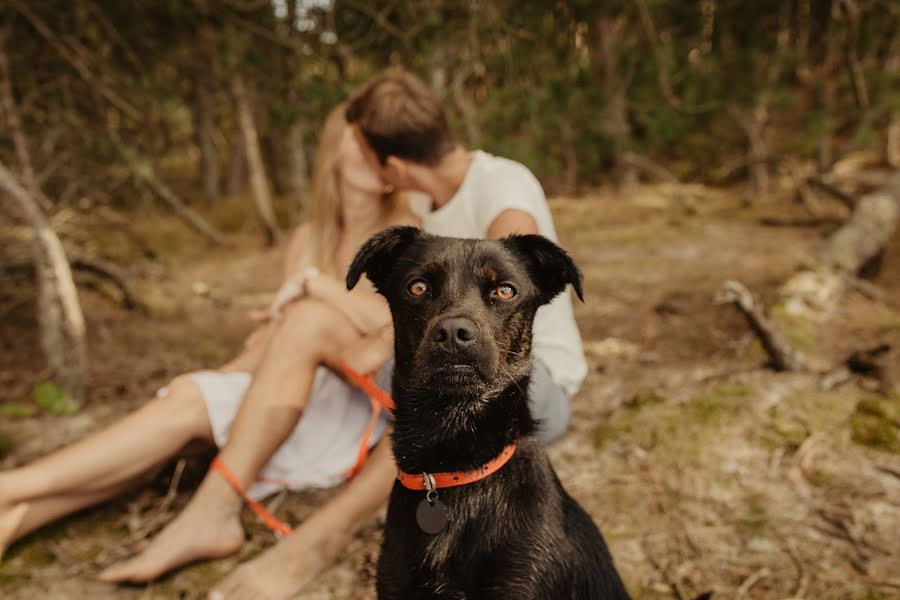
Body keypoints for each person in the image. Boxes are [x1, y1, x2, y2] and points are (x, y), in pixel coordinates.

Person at [0, 103, 417, 595]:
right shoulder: (308, 237)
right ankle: (12, 516)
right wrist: (223, 375)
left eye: (383, 150)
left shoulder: (404, 233)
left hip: (347, 408)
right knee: (183, 412)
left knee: (187, 408)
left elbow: (398, 325)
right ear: (336, 145)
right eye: (363, 142)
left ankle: (10, 489)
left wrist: (318, 286)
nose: (373, 156)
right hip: (283, 391)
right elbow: (282, 340)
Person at [210, 67, 589, 599]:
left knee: (398, 362)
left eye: (361, 152)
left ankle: (320, 536)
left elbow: (498, 304)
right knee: (343, 336)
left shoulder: (501, 185)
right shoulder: (421, 210)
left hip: (537, 379)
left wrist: (341, 312)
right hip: (445, 368)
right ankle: (225, 492)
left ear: (389, 164)